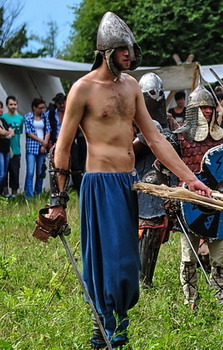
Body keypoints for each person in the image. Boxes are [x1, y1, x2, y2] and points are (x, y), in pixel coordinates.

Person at [40, 12, 210, 348]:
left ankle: (115, 327)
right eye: (122, 50)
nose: (128, 56)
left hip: (125, 182)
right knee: (106, 260)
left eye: (130, 50)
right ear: (106, 51)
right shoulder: (82, 90)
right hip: (98, 185)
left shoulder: (132, 86)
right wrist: (58, 201)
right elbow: (61, 149)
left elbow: (155, 138)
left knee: (127, 263)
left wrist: (190, 179)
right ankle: (103, 329)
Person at [175, 81, 223, 308]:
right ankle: (191, 301)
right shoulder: (179, 138)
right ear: (191, 111)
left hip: (217, 204)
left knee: (220, 258)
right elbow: (161, 170)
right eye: (202, 107)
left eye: (210, 107)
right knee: (189, 259)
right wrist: (174, 193)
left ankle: (220, 299)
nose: (207, 111)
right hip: (190, 205)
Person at [133, 73, 179, 288]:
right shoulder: (130, 117)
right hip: (134, 177)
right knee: (135, 230)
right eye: (151, 93)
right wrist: (144, 139)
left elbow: (177, 142)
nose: (156, 97)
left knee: (155, 228)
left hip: (159, 179)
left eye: (159, 93)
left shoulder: (167, 119)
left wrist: (171, 137)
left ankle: (146, 280)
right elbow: (125, 148)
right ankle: (133, 277)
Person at [23, 98, 50, 198]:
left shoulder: (44, 117)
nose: (42, 110)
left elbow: (48, 130)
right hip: (32, 147)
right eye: (40, 108)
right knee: (30, 172)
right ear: (34, 107)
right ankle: (28, 195)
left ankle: (38, 192)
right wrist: (41, 141)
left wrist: (44, 143)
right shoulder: (28, 117)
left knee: (40, 172)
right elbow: (29, 133)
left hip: (42, 147)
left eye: (43, 108)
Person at [1, 96, 23, 197]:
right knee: (4, 173)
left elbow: (16, 133)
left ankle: (14, 195)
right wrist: (7, 133)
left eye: (15, 104)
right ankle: (5, 194)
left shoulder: (20, 118)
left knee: (15, 173)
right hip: (5, 149)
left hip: (16, 149)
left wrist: (8, 133)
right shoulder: (3, 118)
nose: (13, 106)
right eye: (11, 104)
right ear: (7, 106)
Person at [0, 101, 11, 194]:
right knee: (1, 174)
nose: (0, 110)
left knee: (4, 174)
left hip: (6, 150)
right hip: (0, 151)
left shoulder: (3, 121)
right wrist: (6, 133)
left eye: (1, 107)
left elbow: (12, 132)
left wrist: (5, 133)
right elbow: (2, 133)